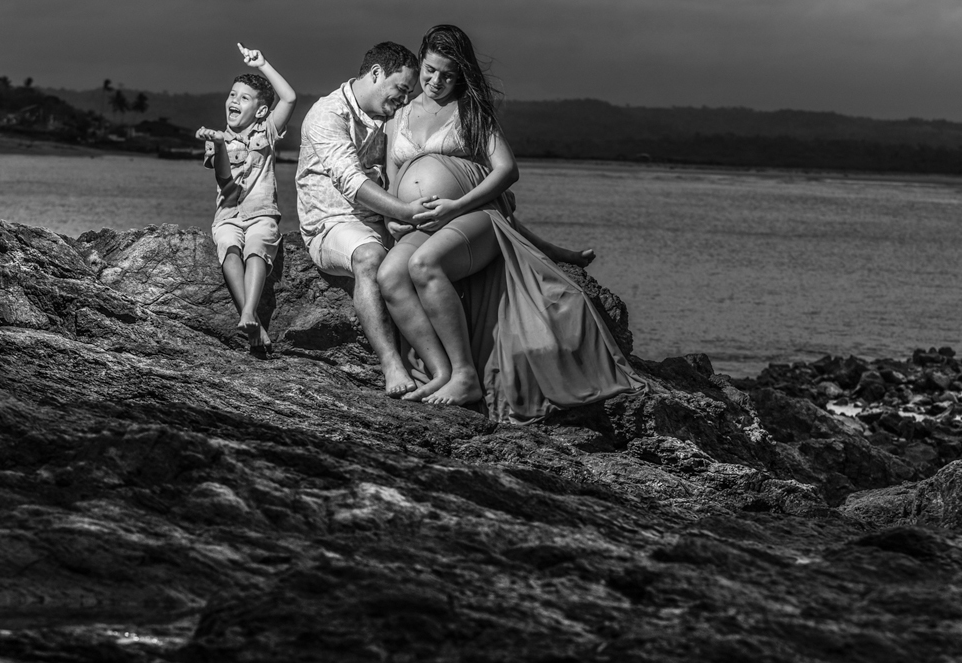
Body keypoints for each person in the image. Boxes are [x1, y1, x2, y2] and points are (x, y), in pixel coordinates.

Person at [376, 24, 643, 417]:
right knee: (389, 275)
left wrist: (455, 205)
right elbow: (391, 178)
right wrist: (393, 220)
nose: (436, 81)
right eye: (430, 70)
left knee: (423, 265)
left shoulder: (470, 112)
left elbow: (506, 170)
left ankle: (465, 375)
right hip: (421, 224)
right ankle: (441, 371)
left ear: (461, 75)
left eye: (448, 75)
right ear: (421, 62)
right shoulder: (399, 114)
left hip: (472, 216)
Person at [295, 42, 432, 397]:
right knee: (370, 258)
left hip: (381, 221)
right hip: (331, 224)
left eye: (409, 93)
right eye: (401, 89)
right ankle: (391, 364)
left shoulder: (392, 118)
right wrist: (404, 211)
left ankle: (443, 365)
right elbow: (350, 181)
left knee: (433, 256)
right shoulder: (328, 114)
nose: (404, 99)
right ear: (375, 73)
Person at [196, 43, 297, 351]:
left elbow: (289, 98)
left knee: (256, 250)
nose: (234, 101)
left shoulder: (267, 131)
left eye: (244, 98)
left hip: (262, 215)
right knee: (229, 249)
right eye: (232, 95)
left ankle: (249, 312)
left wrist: (262, 63)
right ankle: (252, 319)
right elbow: (224, 178)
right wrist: (219, 144)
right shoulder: (216, 139)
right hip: (227, 216)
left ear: (261, 111)